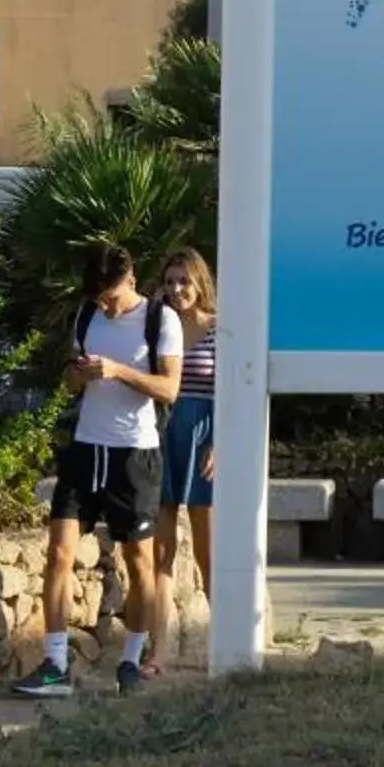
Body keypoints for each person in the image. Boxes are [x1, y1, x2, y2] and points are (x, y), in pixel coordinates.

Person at [13, 240, 182, 699]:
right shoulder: (86, 316)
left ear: (130, 280)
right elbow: (69, 382)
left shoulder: (159, 320)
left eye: (111, 297)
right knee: (59, 553)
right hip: (86, 448)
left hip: (134, 455)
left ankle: (130, 660)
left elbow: (169, 389)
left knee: (139, 561)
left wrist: (118, 371)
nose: (105, 307)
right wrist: (79, 375)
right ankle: (55, 664)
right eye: (98, 299)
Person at [152, 247, 216, 646]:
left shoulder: (219, 327)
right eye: (170, 281)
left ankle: (224, 644)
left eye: (184, 281)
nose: (177, 289)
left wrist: (221, 443)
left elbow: (235, 389)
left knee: (207, 553)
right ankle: (157, 651)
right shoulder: (158, 326)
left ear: (199, 282)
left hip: (203, 436)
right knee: (161, 554)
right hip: (162, 434)